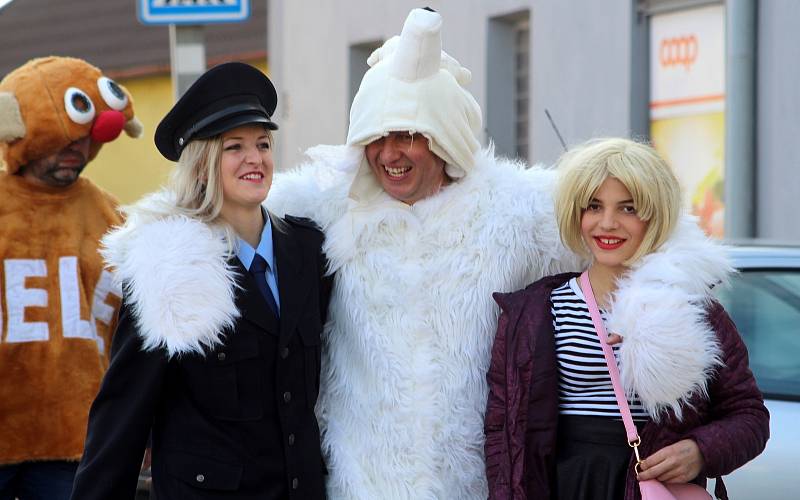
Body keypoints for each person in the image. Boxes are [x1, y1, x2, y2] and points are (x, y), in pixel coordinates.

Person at [265, 8, 581, 499]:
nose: (390, 154)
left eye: (408, 136)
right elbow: (219, 218)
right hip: (363, 485)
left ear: (445, 139)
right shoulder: (325, 207)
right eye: (377, 137)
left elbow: (636, 234)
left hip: (477, 485)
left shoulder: (515, 210)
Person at [69, 62, 332, 500]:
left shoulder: (308, 250)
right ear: (205, 162)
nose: (255, 158)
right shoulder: (168, 267)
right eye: (235, 146)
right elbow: (124, 413)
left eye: (263, 144)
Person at [484, 138, 770, 500]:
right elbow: (501, 432)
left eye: (628, 208)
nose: (607, 223)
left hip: (650, 488)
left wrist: (700, 451)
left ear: (655, 215)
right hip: (564, 486)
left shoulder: (691, 308)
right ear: (577, 213)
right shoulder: (534, 311)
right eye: (593, 206)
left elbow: (750, 416)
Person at [0, 56, 142, 500]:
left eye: (84, 138)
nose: (76, 149)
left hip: (79, 442)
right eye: (63, 138)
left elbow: (136, 333)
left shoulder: (111, 215)